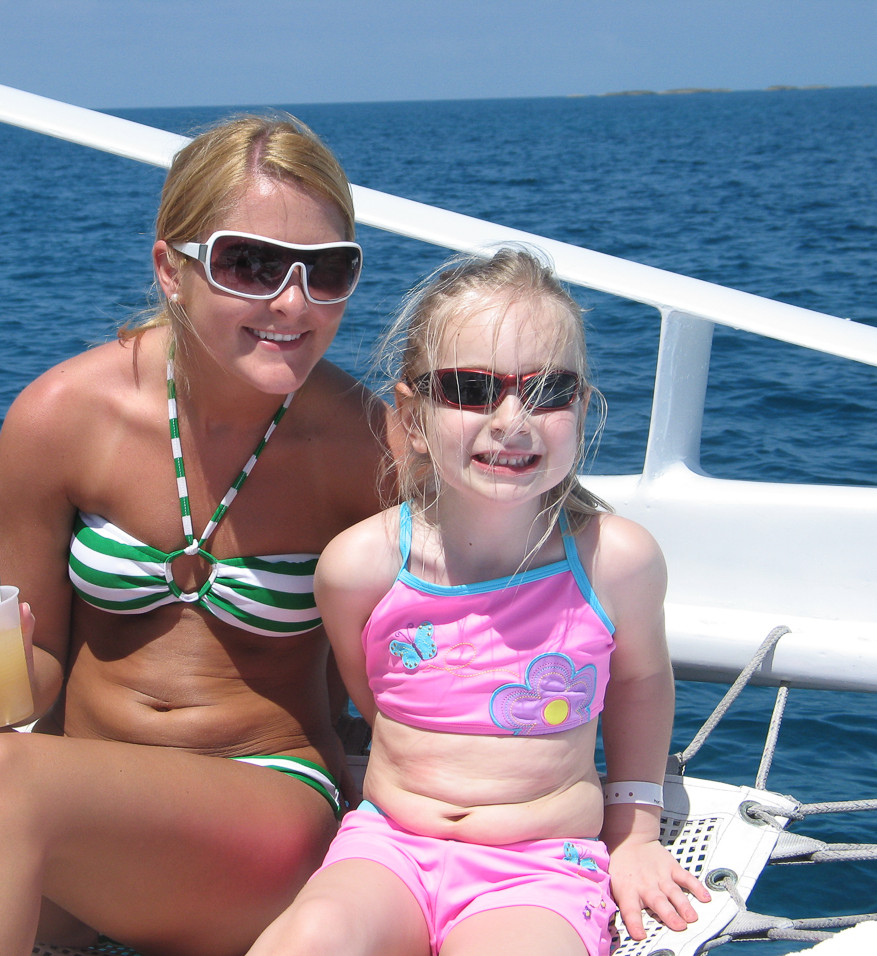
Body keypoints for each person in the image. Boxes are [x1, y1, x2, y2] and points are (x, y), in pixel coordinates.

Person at [0, 115, 390, 956]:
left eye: (327, 270)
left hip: (263, 797)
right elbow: (36, 669)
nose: (293, 303)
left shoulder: (367, 450)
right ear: (171, 268)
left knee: (4, 777)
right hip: (76, 785)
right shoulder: (62, 418)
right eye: (252, 264)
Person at [246, 249, 711, 956]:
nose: (512, 420)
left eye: (548, 390)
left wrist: (634, 832)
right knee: (308, 940)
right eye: (470, 388)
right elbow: (376, 696)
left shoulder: (614, 562)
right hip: (387, 847)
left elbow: (641, 684)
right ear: (412, 417)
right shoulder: (359, 569)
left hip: (540, 868)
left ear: (581, 407)